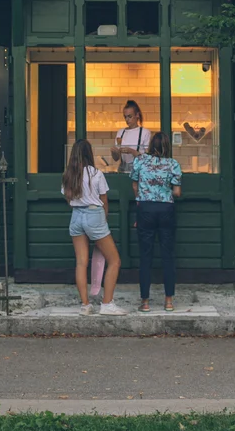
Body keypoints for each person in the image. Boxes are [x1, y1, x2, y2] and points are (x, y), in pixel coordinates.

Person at [61, 140, 127, 316]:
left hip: (76, 217)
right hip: (94, 215)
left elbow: (68, 199)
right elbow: (104, 200)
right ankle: (107, 304)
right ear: (89, 154)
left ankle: (85, 305)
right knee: (114, 261)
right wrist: (102, 220)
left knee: (81, 263)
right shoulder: (96, 174)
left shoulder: (68, 174)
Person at [131, 131, 182, 312]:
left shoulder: (140, 161)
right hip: (166, 209)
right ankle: (168, 301)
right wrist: (167, 190)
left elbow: (135, 185)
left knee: (146, 256)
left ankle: (145, 303)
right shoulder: (173, 164)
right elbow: (176, 192)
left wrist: (142, 196)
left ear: (151, 145)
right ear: (167, 147)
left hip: (145, 209)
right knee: (168, 255)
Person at [111, 100, 150, 175]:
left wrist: (132, 151)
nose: (127, 119)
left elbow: (147, 159)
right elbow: (116, 158)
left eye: (130, 116)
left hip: (139, 171)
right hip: (123, 169)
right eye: (125, 117)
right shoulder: (120, 132)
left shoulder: (145, 132)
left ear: (137, 115)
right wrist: (114, 152)